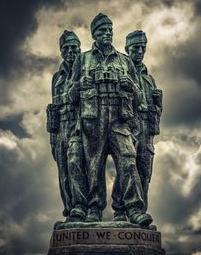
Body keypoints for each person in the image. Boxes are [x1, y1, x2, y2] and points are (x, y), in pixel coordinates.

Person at [69, 13, 152, 226]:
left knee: (128, 158)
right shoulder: (82, 59)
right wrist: (80, 85)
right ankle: (94, 208)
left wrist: (131, 86)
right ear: (94, 35)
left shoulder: (125, 62)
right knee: (93, 165)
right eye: (101, 31)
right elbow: (70, 97)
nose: (106, 34)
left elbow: (141, 98)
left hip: (119, 119)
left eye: (109, 31)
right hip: (93, 118)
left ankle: (133, 208)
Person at [112, 30, 162, 215]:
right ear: (127, 49)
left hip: (147, 131)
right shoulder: (122, 74)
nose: (140, 51)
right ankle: (120, 210)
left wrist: (158, 104)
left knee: (144, 172)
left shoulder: (149, 80)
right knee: (126, 167)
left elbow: (156, 111)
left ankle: (140, 212)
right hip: (128, 128)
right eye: (135, 48)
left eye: (142, 47)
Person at [47, 30, 86, 221]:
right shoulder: (57, 77)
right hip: (60, 126)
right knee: (63, 172)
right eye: (66, 48)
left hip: (79, 125)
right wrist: (52, 138)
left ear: (79, 48)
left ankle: (80, 207)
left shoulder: (85, 70)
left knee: (74, 164)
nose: (70, 51)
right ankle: (70, 210)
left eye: (73, 47)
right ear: (61, 52)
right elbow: (53, 106)